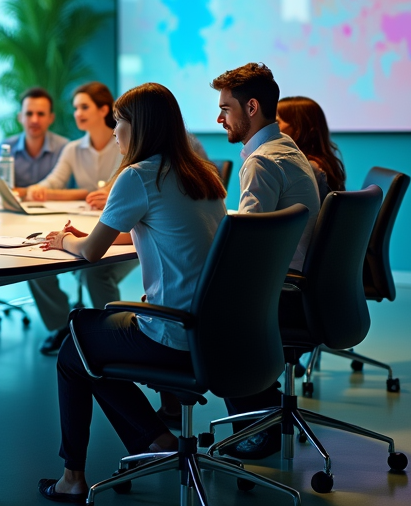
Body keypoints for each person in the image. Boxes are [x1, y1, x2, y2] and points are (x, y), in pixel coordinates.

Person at [36, 83, 227, 503]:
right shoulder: (201, 173)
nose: (114, 128)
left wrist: (62, 240)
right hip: (217, 330)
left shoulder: (137, 176)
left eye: (118, 120)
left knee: (75, 349)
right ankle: (153, 439)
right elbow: (161, 229)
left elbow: (89, 253)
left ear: (137, 127)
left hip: (175, 332)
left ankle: (75, 477)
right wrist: (99, 236)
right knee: (86, 347)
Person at [211, 63, 321, 460]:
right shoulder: (287, 148)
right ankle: (261, 412)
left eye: (226, 108)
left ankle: (255, 425)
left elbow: (247, 249)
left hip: (283, 290)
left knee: (205, 308)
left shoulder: (260, 161)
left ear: (251, 107)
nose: (219, 117)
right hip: (301, 287)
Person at [25, 82, 141, 356]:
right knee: (35, 261)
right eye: (75, 107)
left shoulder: (125, 147)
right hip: (92, 225)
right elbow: (52, 183)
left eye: (84, 107)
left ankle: (112, 341)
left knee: (94, 270)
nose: (77, 113)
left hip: (121, 230)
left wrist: (102, 194)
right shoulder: (73, 149)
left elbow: (118, 191)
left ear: (105, 110)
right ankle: (62, 325)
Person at [0, 87, 69, 199]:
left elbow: (74, 189)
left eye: (40, 114)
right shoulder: (6, 146)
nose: (34, 120)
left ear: (51, 118)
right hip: (13, 213)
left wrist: (19, 192)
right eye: (29, 114)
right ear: (20, 117)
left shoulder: (65, 147)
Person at [277, 95, 346, 202]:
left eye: (277, 122)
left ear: (300, 130)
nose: (270, 127)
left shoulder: (307, 169)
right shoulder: (323, 164)